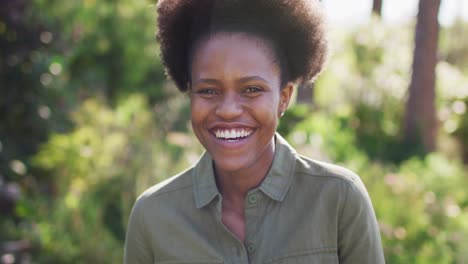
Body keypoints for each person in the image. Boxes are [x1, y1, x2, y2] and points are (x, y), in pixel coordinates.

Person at [124, 0, 385, 263]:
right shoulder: (153, 216)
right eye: (208, 90)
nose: (227, 110)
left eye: (251, 89)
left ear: (284, 97)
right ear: (190, 93)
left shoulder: (338, 199)